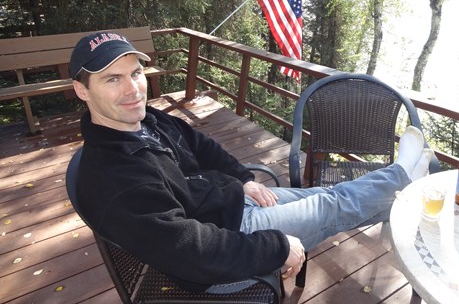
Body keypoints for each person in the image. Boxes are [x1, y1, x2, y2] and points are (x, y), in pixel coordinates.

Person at [70, 31, 434, 292]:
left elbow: (202, 144)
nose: (133, 89)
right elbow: (189, 250)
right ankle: (405, 174)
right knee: (333, 202)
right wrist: (277, 247)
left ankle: (406, 187)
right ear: (82, 90)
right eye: (112, 79)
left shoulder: (148, 120)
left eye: (135, 73)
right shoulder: (114, 178)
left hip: (230, 203)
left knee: (341, 198)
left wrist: (244, 178)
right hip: (225, 245)